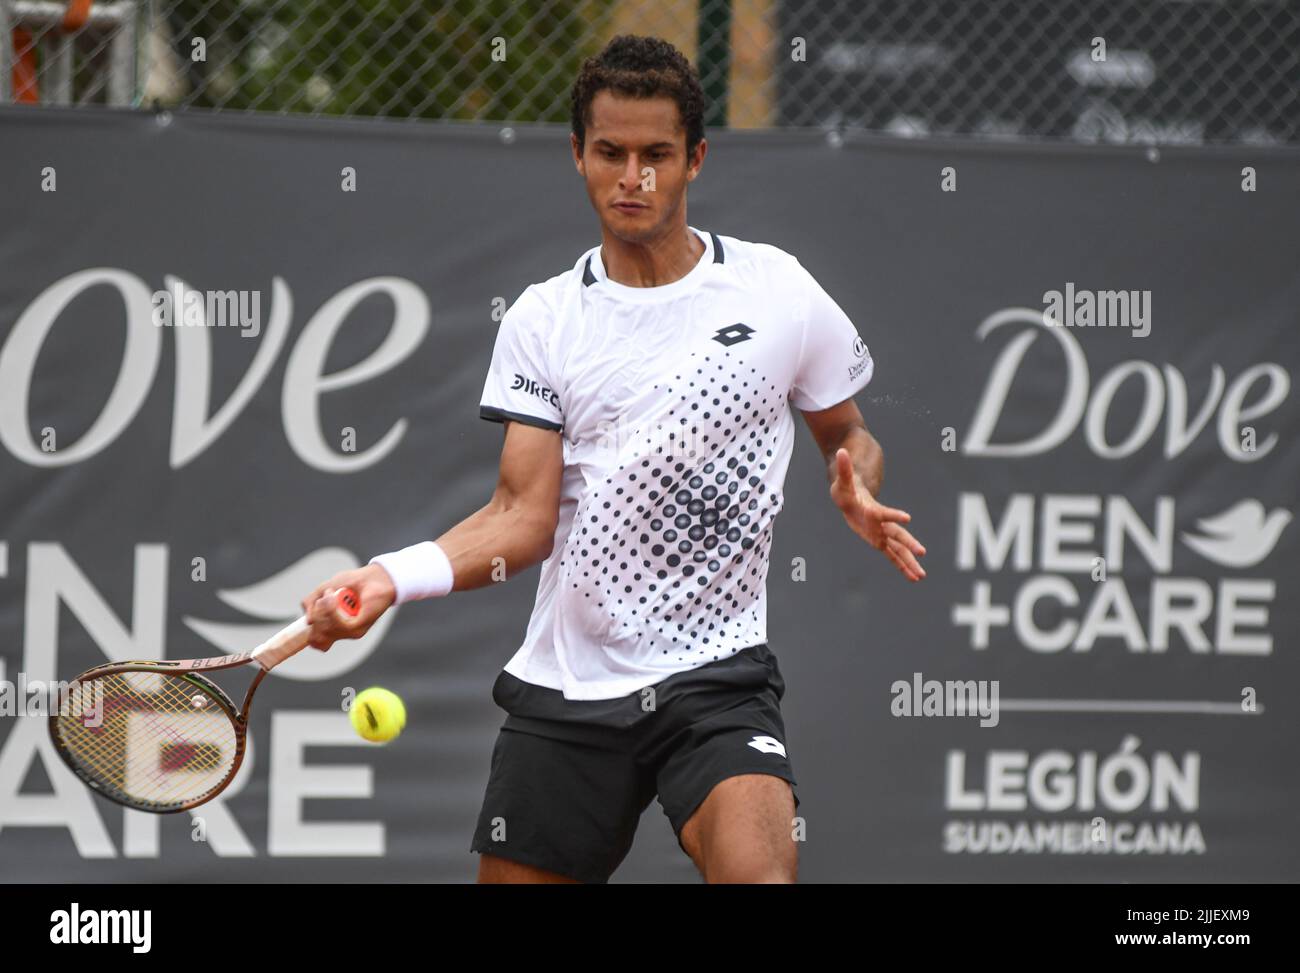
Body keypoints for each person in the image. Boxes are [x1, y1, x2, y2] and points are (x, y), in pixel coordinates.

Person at [299, 34, 926, 884]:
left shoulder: (778, 290)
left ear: (695, 159)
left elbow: (848, 433)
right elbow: (520, 520)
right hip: (569, 685)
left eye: (657, 155)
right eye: (612, 152)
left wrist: (855, 483)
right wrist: (385, 577)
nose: (634, 176)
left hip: (716, 676)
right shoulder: (544, 320)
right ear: (579, 155)